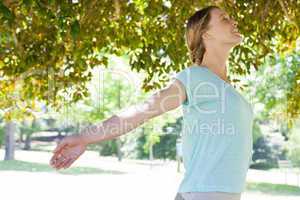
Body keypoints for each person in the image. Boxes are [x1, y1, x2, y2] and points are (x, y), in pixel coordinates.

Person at [50, 5, 254, 200]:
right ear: (206, 34)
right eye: (224, 19)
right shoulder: (194, 77)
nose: (233, 21)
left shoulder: (227, 88)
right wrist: (85, 137)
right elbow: (144, 110)